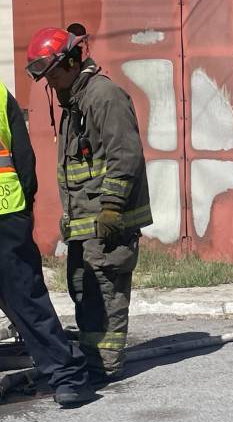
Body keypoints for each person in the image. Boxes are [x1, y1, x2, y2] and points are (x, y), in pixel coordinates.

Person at [0, 22, 95, 407]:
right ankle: (66, 381)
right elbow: (24, 157)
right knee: (28, 299)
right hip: (5, 213)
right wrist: (22, 207)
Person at [25, 25, 151, 381]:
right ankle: (94, 362)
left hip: (108, 223)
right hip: (87, 225)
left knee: (106, 297)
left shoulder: (103, 97)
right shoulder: (76, 103)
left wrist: (112, 207)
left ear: (71, 60)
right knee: (85, 294)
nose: (51, 84)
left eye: (52, 74)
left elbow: (124, 156)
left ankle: (105, 368)